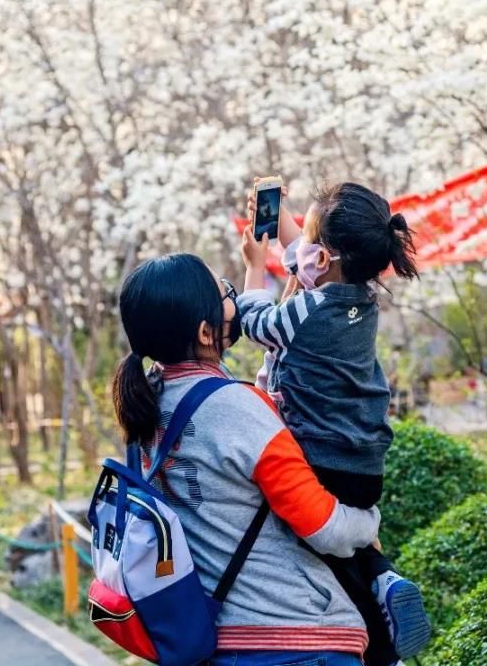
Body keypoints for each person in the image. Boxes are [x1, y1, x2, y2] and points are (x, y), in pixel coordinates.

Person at [115, 253, 382, 666]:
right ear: (206, 332)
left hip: (216, 640)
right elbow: (326, 527)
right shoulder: (236, 409)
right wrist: (370, 522)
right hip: (293, 640)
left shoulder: (146, 406)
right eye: (223, 292)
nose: (232, 298)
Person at [238, 180, 430, 665]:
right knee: (355, 540)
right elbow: (304, 255)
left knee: (327, 552)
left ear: (322, 260)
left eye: (309, 237)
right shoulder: (361, 300)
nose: (298, 243)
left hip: (321, 460)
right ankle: (385, 575)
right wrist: (278, 221)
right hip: (363, 465)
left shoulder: (302, 313)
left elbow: (255, 322)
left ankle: (379, 647)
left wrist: (253, 269)